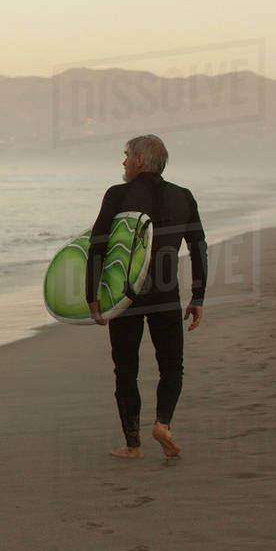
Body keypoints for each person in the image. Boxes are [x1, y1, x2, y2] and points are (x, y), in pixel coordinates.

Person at [86, 135, 207, 459]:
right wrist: (198, 296)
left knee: (126, 371)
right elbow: (198, 247)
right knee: (172, 366)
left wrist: (92, 294)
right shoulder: (183, 197)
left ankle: (132, 444)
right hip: (166, 295)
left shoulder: (118, 194)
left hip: (125, 296)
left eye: (126, 156)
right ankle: (163, 424)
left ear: (140, 160)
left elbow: (98, 244)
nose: (123, 162)